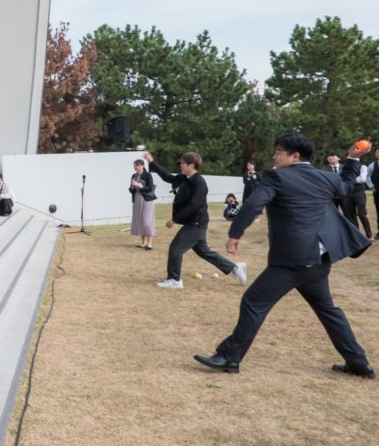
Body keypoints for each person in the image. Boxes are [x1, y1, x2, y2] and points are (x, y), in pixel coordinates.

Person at [194, 134, 375, 378]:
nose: (274, 156)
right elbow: (345, 186)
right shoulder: (326, 178)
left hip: (292, 261)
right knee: (328, 310)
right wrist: (352, 159)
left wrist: (235, 233)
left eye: (279, 151)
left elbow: (254, 203)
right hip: (318, 261)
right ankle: (358, 363)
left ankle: (229, 357)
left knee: (253, 302)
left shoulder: (276, 176)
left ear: (295, 156)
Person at [144, 150, 247, 289]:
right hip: (194, 222)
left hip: (196, 222)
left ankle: (174, 280)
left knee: (175, 249)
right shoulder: (184, 178)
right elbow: (167, 176)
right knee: (203, 251)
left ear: (191, 165)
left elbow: (193, 205)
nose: (180, 165)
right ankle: (235, 268)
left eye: (182, 163)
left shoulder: (199, 183)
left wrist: (174, 220)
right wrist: (151, 161)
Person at [341, 157, 372, 238]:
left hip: (359, 192)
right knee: (351, 215)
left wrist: (349, 179)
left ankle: (369, 235)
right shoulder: (345, 168)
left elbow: (362, 178)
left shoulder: (363, 167)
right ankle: (356, 236)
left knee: (362, 214)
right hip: (347, 193)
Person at [128, 159, 156, 250]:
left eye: (137, 165)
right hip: (137, 199)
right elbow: (132, 190)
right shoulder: (134, 175)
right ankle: (144, 243)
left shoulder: (148, 175)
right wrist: (132, 187)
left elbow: (150, 188)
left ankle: (150, 244)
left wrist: (139, 185)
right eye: (134, 166)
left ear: (142, 165)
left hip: (146, 199)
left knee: (147, 221)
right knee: (140, 220)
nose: (135, 167)